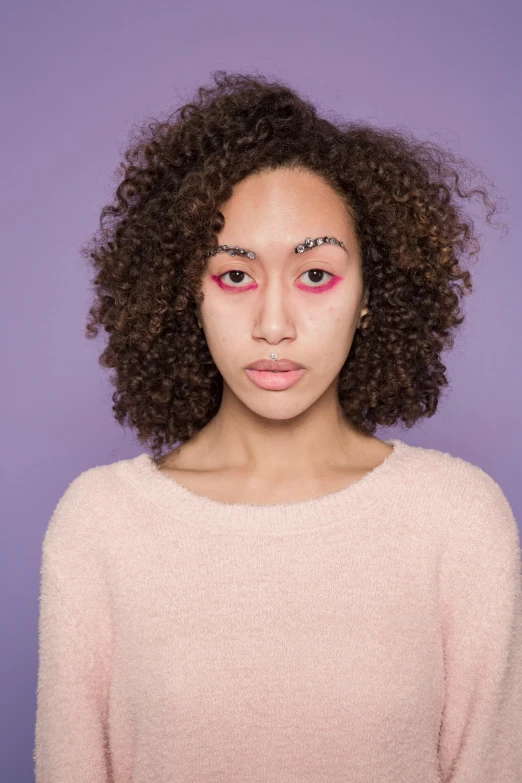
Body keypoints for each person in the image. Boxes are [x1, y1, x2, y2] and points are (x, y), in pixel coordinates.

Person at [34, 71, 522, 782]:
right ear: (185, 292)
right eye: (235, 276)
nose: (273, 324)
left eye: (316, 274)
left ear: (368, 295)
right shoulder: (100, 525)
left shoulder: (459, 519)